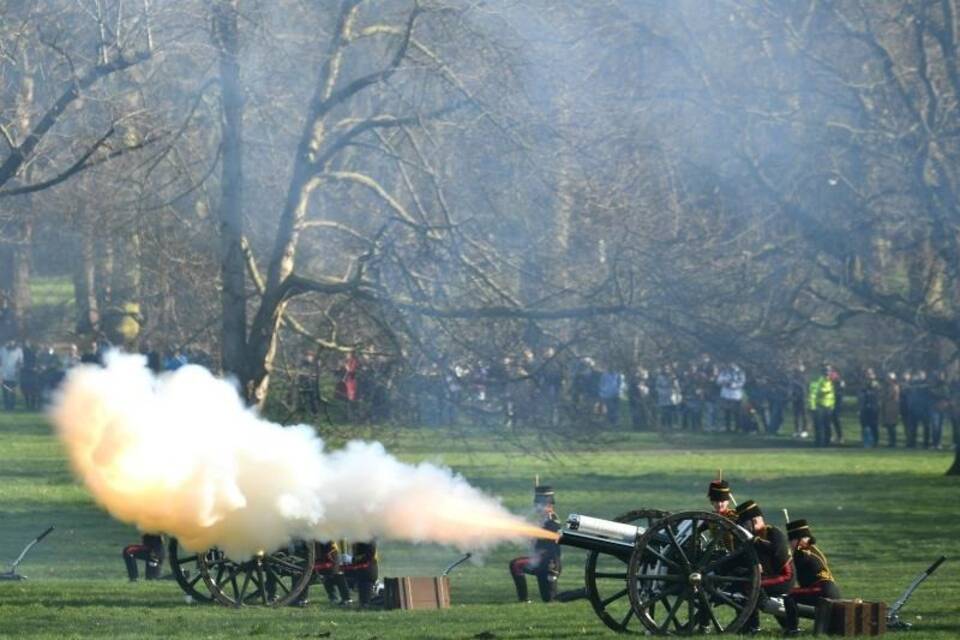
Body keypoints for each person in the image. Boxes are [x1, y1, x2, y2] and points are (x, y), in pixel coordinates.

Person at [735, 500, 794, 635]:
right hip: (769, 576)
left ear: (754, 521)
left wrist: (753, 539)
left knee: (751, 585)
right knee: (742, 584)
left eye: (745, 524)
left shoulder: (774, 532)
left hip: (784, 577)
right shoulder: (755, 536)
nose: (745, 527)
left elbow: (774, 550)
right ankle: (747, 626)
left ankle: (753, 627)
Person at [782, 519, 841, 635]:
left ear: (801, 539)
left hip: (822, 590)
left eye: (792, 539)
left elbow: (790, 571)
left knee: (789, 597)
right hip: (829, 589)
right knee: (795, 594)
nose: (790, 543)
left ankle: (792, 630)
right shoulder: (811, 551)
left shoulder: (801, 554)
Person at [509, 485, 562, 603]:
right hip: (540, 562)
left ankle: (580, 594)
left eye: (540, 504)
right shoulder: (542, 520)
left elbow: (551, 543)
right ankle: (524, 600)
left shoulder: (552, 521)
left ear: (549, 505)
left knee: (551, 600)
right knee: (516, 564)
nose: (537, 507)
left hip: (549, 564)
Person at [342, 540, 379, 607]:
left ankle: (377, 591)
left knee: (366, 603)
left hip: (367, 572)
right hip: (361, 573)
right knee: (363, 602)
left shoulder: (369, 538)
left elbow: (369, 555)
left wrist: (352, 559)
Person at [808, 365, 836, 447]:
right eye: (826, 371)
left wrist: (832, 406)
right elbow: (813, 394)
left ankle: (827, 443)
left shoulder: (830, 381)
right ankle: (819, 443)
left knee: (827, 426)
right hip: (819, 406)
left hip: (828, 407)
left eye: (829, 371)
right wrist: (813, 407)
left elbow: (832, 395)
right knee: (819, 426)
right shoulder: (818, 381)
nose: (828, 372)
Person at [858, 368, 881, 447]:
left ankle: (875, 441)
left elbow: (877, 394)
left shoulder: (875, 383)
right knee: (864, 425)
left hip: (873, 407)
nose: (868, 375)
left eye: (870, 373)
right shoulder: (863, 383)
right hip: (864, 407)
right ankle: (866, 442)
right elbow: (860, 395)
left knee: (873, 425)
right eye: (867, 373)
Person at [0, 339, 23, 410]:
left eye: (12, 341)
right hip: (4, 375)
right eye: (9, 341)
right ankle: (6, 405)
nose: (10, 343)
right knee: (5, 391)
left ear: (14, 342)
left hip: (14, 375)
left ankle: (12, 405)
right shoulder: (2, 350)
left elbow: (20, 362)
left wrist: (18, 371)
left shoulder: (19, 350)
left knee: (13, 391)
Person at [880, 371, 901, 447]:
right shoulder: (887, 387)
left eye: (889, 378)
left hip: (893, 408)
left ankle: (893, 442)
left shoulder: (894, 386)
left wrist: (883, 397)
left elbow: (889, 396)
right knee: (889, 426)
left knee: (892, 426)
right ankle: (891, 442)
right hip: (887, 408)